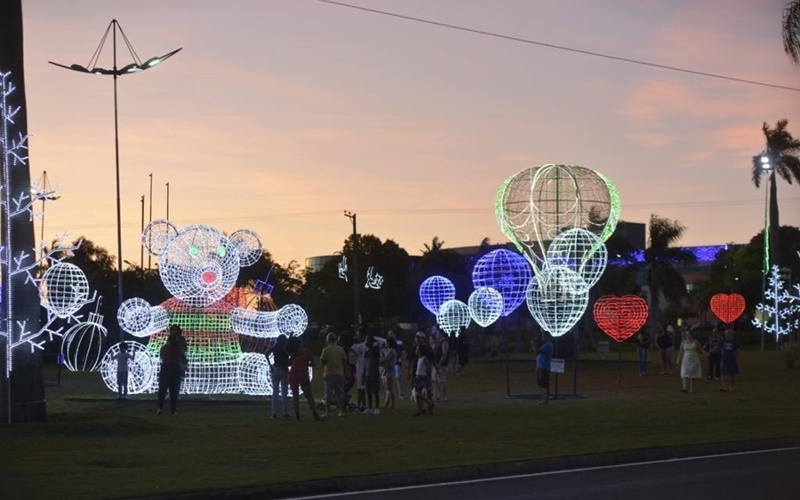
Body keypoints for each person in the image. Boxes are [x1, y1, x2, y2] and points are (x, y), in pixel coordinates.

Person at [286, 336, 321, 421]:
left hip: (294, 375)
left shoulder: (293, 354)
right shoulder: (307, 352)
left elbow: (289, 363)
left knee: (295, 396)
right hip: (304, 375)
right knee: (309, 396)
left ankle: (297, 415)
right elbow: (312, 364)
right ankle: (315, 414)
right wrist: (306, 363)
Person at [157, 328, 186, 415]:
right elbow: (182, 359)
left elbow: (161, 357)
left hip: (165, 368)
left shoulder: (164, 348)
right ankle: (173, 410)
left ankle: (160, 408)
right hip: (175, 369)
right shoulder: (179, 349)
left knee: (162, 390)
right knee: (174, 391)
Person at [320, 332, 348, 417]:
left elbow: (322, 362)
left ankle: (327, 412)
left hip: (329, 373)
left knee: (328, 393)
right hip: (339, 373)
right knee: (340, 393)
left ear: (328, 340)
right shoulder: (340, 349)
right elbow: (344, 361)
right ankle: (341, 411)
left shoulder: (325, 350)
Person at [265, 334, 291, 419]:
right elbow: (289, 356)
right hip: (284, 370)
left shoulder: (275, 347)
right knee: (284, 392)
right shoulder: (286, 348)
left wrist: (270, 365)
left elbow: (266, 354)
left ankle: (274, 413)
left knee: (275, 392)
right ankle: (285, 412)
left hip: (275, 369)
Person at [412, 335, 435, 416]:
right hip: (418, 375)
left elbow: (428, 368)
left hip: (421, 376)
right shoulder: (420, 358)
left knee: (419, 394)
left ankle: (429, 403)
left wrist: (427, 373)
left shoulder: (424, 358)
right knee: (418, 395)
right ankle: (420, 410)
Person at [531, 331, 553, 405]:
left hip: (544, 367)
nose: (542, 337)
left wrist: (533, 344)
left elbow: (537, 352)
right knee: (542, 384)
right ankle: (544, 399)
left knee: (545, 384)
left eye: (543, 336)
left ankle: (545, 400)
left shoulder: (548, 345)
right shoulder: (546, 345)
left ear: (547, 336)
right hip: (541, 367)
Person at [363, 335, 381, 414]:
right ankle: (369, 407)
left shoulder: (375, 352)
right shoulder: (367, 352)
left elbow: (376, 363)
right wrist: (364, 374)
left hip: (374, 374)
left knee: (375, 392)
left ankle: (377, 408)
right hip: (367, 374)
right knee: (369, 391)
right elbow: (365, 364)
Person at [381, 337, 398, 411]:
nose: (385, 343)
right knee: (387, 388)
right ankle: (386, 405)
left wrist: (380, 361)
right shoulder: (388, 350)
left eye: (386, 342)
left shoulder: (392, 350)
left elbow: (387, 359)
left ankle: (393, 405)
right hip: (386, 370)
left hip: (390, 371)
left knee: (390, 389)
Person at [433, 330, 450, 401]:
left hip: (442, 365)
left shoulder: (444, 343)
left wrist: (439, 364)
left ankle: (444, 396)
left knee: (442, 381)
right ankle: (439, 395)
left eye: (437, 333)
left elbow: (444, 354)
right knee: (436, 380)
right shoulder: (439, 343)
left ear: (441, 334)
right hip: (437, 365)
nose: (436, 335)